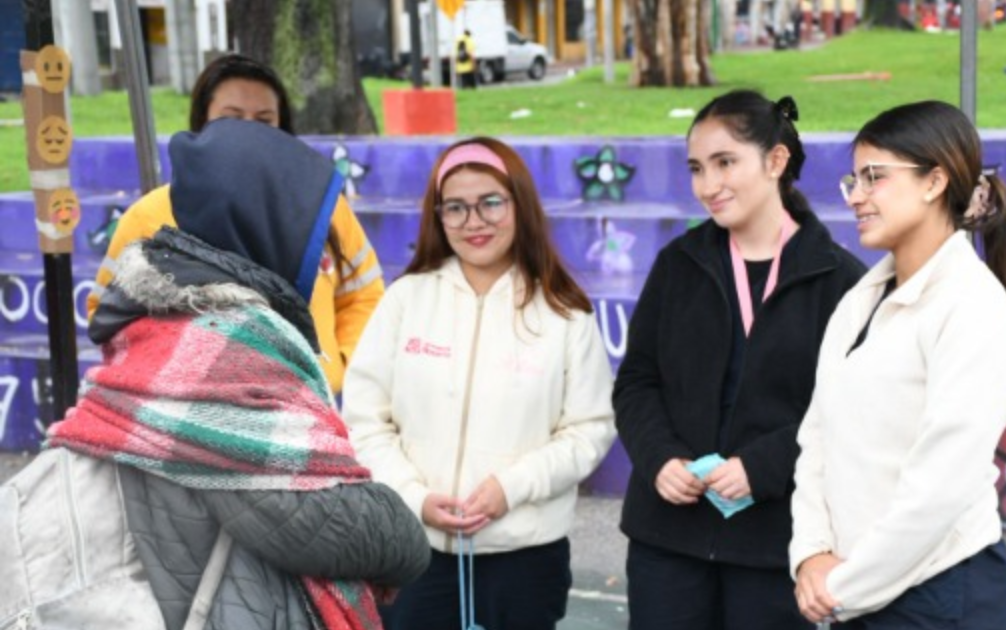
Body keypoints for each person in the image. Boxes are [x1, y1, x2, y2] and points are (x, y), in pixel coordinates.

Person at [1, 119, 430, 630]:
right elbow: (339, 526)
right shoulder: (238, 352)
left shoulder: (152, 321)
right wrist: (407, 534)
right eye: (310, 238)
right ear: (266, 226)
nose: (317, 264)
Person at [613, 89, 865, 630]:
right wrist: (659, 458)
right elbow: (636, 382)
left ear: (775, 161)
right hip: (668, 540)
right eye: (697, 168)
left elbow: (851, 410)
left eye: (726, 163)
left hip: (777, 543)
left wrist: (765, 466)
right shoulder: (677, 265)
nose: (708, 185)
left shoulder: (841, 280)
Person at [342, 137, 617, 630]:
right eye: (456, 208)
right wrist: (414, 497)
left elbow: (589, 430)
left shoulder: (564, 311)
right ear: (438, 216)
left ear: (519, 205)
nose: (474, 221)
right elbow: (364, 420)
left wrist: (509, 488)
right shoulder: (406, 300)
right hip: (413, 552)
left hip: (526, 559)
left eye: (491, 202)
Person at [790, 100, 1006, 629]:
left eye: (874, 177)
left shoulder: (973, 308)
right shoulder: (861, 298)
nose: (856, 196)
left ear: (934, 182)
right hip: (854, 588)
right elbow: (818, 437)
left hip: (938, 594)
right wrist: (810, 554)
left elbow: (939, 487)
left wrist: (841, 586)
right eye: (853, 180)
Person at [87, 53, 384, 395]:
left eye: (264, 119)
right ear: (202, 124)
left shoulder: (325, 210)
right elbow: (106, 313)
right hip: (194, 423)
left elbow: (364, 295)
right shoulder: (149, 215)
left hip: (311, 414)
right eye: (231, 118)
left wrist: (339, 368)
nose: (249, 131)